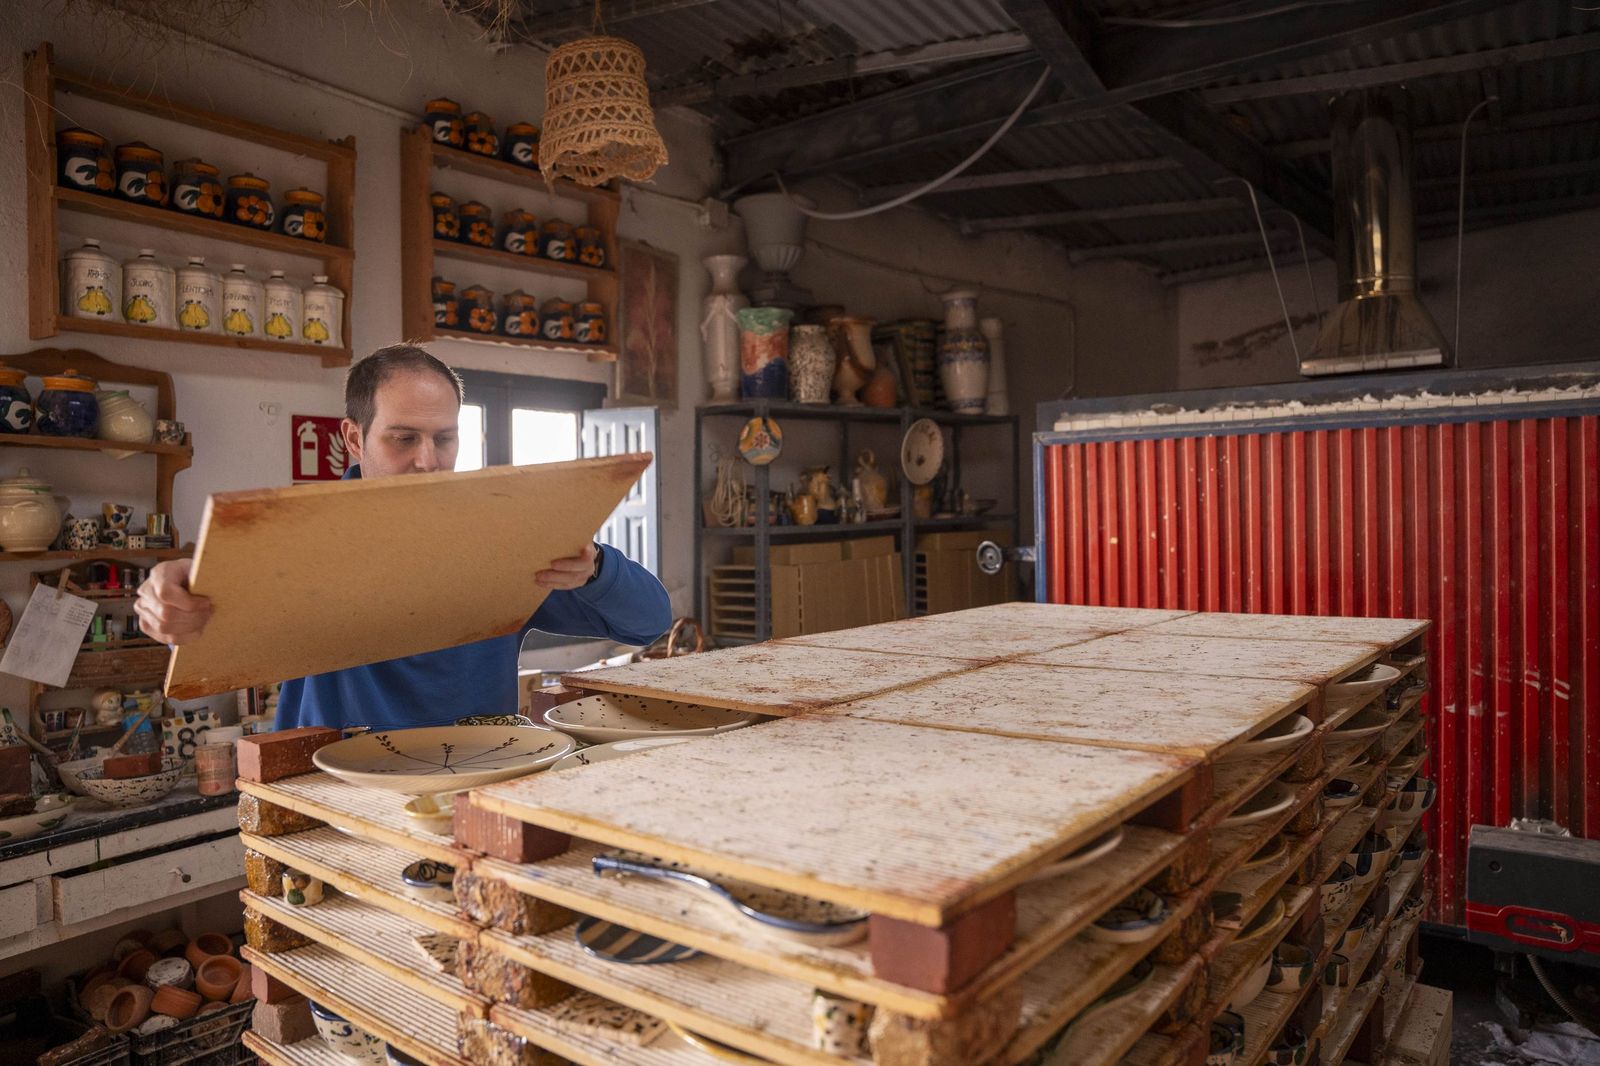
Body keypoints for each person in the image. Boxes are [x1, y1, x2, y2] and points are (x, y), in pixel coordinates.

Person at [135, 343, 671, 730]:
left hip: (471, 780)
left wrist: (595, 565)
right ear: (353, 437)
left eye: (445, 438)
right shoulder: (298, 538)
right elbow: (200, 601)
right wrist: (173, 587)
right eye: (403, 438)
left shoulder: (499, 537)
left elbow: (648, 623)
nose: (427, 461)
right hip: (331, 793)